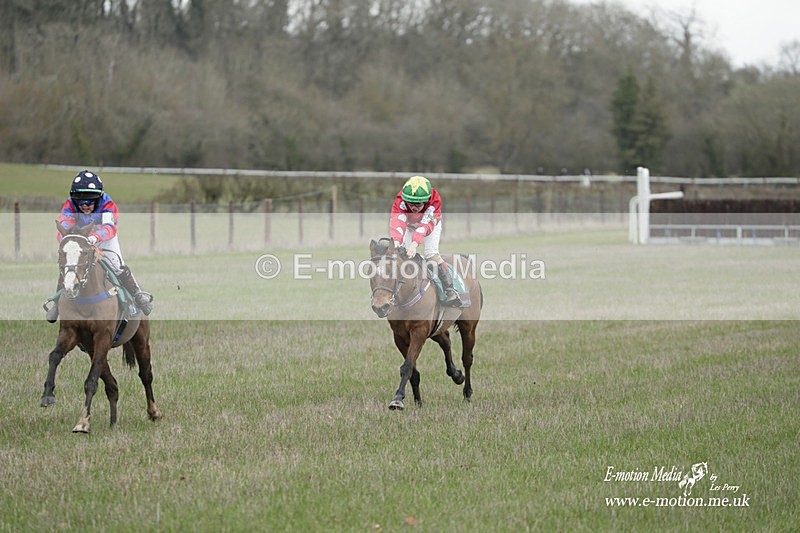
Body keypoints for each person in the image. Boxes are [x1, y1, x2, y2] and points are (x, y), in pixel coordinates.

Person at [45, 170, 153, 322]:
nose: (85, 205)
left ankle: (137, 295)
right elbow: (64, 223)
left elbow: (109, 227)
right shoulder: (69, 204)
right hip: (81, 239)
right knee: (70, 266)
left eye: (90, 201)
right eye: (80, 201)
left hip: (105, 238)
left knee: (116, 265)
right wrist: (68, 239)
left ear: (98, 197)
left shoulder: (107, 203)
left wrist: (95, 237)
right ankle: (57, 303)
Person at [389, 175, 462, 307]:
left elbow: (424, 226)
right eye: (411, 204)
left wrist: (414, 244)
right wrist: (396, 243)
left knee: (431, 255)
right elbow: (397, 222)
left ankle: (450, 290)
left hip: (430, 224)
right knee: (401, 254)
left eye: (418, 204)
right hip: (409, 225)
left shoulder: (434, 201)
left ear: (426, 200)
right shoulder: (400, 201)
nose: (414, 208)